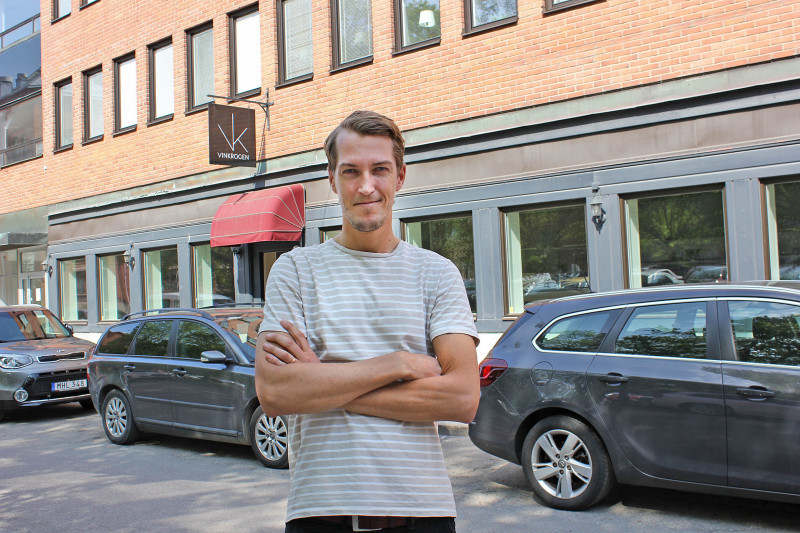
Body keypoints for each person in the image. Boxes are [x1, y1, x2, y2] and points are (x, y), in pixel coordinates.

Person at [255, 110, 479, 533]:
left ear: (400, 176)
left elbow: (462, 399)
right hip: (320, 515)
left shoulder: (436, 273)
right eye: (350, 171)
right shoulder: (295, 270)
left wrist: (322, 382)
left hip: (421, 514)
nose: (365, 186)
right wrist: (398, 363)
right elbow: (275, 391)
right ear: (332, 179)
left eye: (379, 169)